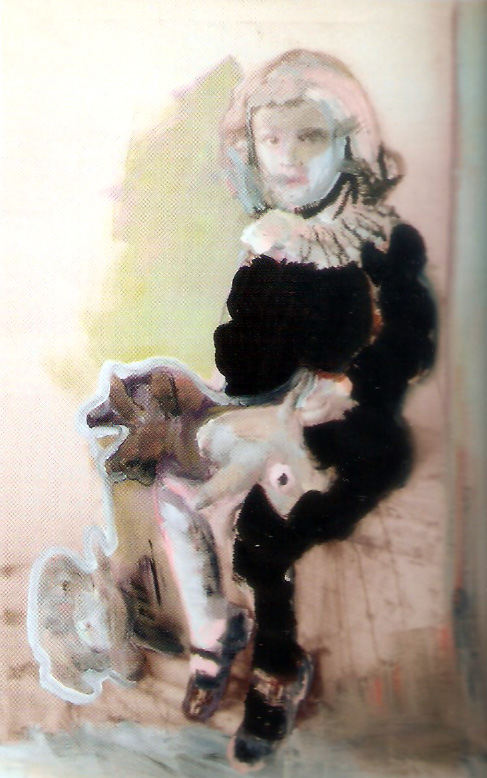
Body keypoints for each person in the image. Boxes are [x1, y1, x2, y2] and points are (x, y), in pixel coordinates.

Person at [211, 49, 436, 771]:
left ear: (348, 139)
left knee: (263, 535)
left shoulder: (382, 237)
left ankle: (277, 672)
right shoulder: (268, 240)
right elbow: (242, 369)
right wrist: (266, 269)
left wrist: (350, 386)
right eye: (271, 139)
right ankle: (213, 638)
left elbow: (412, 343)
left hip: (362, 431)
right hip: (278, 425)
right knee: (201, 489)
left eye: (309, 137)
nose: (288, 157)